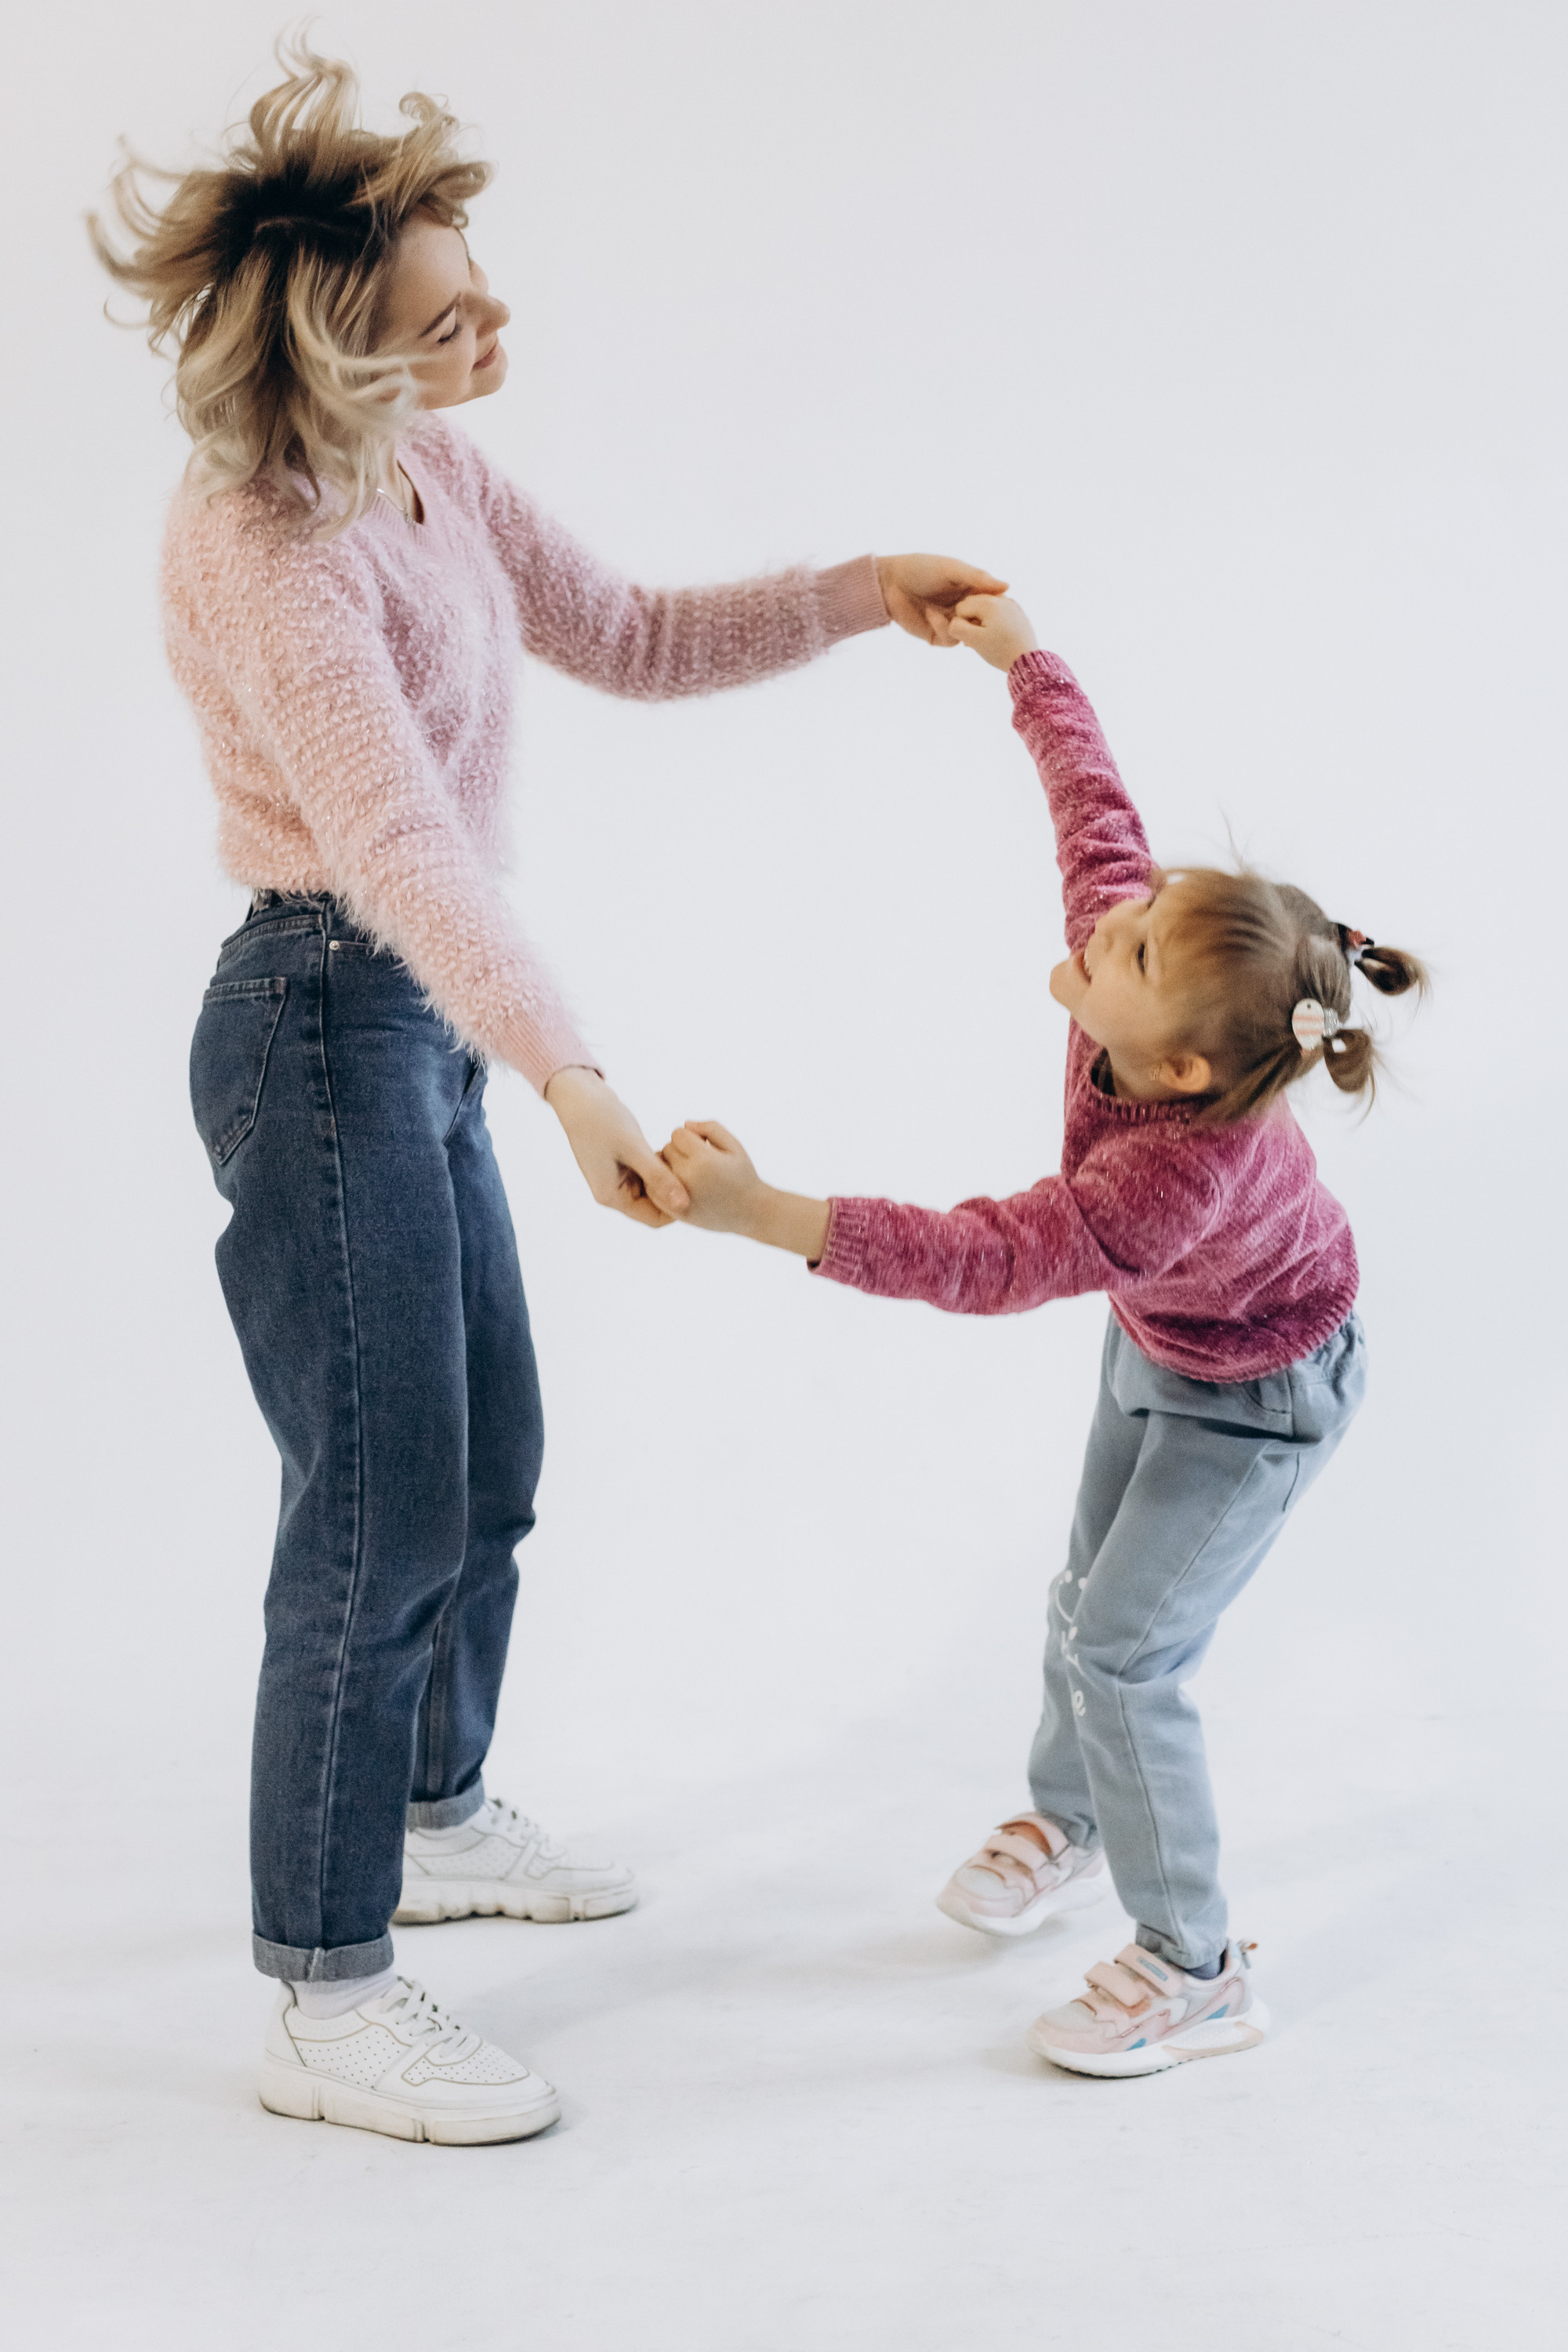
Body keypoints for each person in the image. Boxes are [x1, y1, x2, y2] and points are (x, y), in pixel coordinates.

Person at [90, 45, 1005, 2144]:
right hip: (330, 1012)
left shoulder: (436, 472)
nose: (494, 318)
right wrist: (575, 1077)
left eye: (478, 279)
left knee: (490, 1460)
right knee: (378, 1502)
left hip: (421, 1025)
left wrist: (878, 591)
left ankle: (426, 1808)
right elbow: (399, 843)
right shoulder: (258, 536)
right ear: (337, 338)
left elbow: (647, 634)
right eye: (445, 303)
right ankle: (324, 1993)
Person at [661, 590, 1427, 2078]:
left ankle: (1196, 1965)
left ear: (1186, 1063)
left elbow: (988, 1258)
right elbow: (1094, 807)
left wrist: (769, 1214)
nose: (1108, 924)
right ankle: (1074, 1817)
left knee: (1132, 1656)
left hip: (1262, 1393)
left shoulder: (1165, 1180)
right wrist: (1023, 656)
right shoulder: (1138, 986)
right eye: (1130, 920)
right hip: (1167, 1345)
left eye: (1131, 948)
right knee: (1087, 1597)